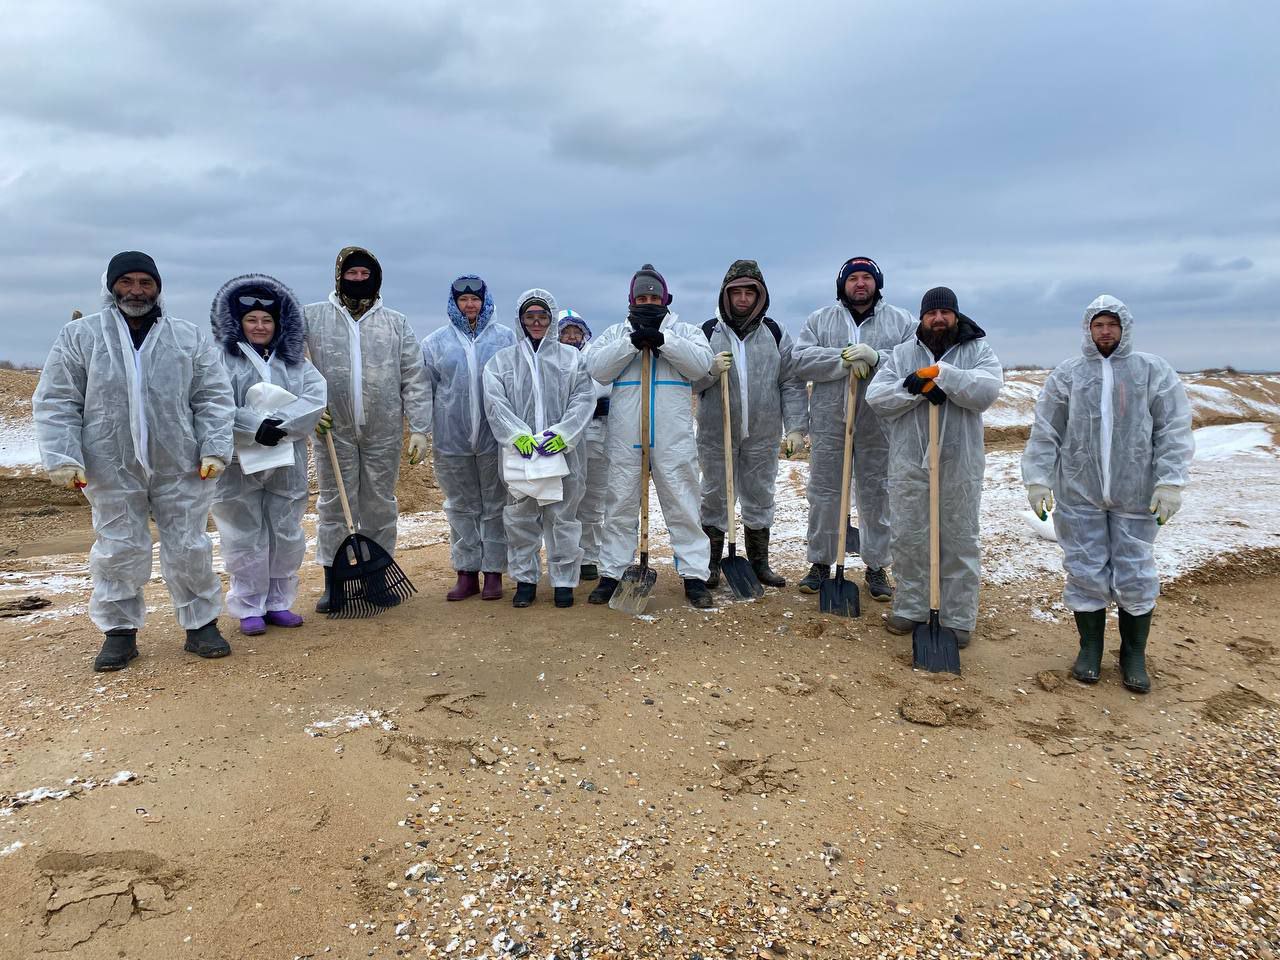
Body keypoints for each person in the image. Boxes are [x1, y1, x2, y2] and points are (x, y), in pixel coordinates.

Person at [33, 251, 235, 671]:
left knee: (188, 545)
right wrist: (62, 455)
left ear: (158, 287)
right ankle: (119, 633)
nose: (137, 291)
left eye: (146, 282)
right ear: (111, 287)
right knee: (117, 547)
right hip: (109, 462)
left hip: (181, 462)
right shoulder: (80, 336)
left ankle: (200, 625)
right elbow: (57, 400)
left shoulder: (187, 336)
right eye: (127, 282)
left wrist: (215, 447)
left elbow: (213, 397)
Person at [1021, 295, 1193, 693]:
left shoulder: (1152, 371)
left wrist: (1169, 481)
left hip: (1137, 494)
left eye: (1111, 324)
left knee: (1135, 572)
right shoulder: (1069, 374)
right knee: (1084, 569)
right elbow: (1046, 429)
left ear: (1124, 328)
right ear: (1088, 329)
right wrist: (1038, 479)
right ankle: (1091, 648)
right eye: (1098, 325)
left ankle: (1133, 654)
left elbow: (1173, 428)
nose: (1105, 331)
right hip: (1080, 491)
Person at [866, 286, 1003, 648]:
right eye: (931, 314)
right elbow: (876, 396)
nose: (938, 319)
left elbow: (988, 390)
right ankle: (912, 607)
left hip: (960, 461)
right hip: (910, 460)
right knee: (910, 536)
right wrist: (913, 389)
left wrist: (943, 375)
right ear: (922, 317)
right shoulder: (902, 353)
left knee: (958, 537)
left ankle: (957, 616)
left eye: (945, 313)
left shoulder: (977, 350)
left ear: (956, 316)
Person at [305, 246, 432, 612]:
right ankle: (335, 582)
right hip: (334, 430)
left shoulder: (395, 322)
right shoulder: (313, 317)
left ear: (375, 277)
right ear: (340, 275)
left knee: (378, 506)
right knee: (333, 505)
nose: (358, 280)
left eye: (365, 274)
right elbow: (296, 366)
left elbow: (414, 376)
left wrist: (421, 428)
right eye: (352, 274)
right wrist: (311, 409)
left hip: (383, 430)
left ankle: (376, 578)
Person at [585, 265, 716, 609]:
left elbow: (702, 366)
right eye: (641, 297)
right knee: (619, 507)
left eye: (653, 297)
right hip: (626, 437)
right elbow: (595, 367)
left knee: (683, 504)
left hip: (672, 438)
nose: (648, 302)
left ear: (665, 298)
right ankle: (611, 573)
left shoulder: (684, 331)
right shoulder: (615, 333)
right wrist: (630, 345)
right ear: (631, 299)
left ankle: (694, 576)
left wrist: (664, 341)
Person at [209, 274, 327, 636]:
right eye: (251, 320)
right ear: (237, 322)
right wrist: (251, 425)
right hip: (238, 462)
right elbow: (212, 402)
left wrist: (283, 423)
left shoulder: (294, 362)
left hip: (285, 457)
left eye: (266, 320)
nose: (259, 326)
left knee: (285, 531)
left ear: (278, 323)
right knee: (243, 532)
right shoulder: (221, 360)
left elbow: (315, 396)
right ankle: (248, 604)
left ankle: (279, 601)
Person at [792, 257, 915, 600]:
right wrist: (840, 358)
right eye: (853, 279)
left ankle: (877, 566)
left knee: (877, 496)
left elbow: (914, 360)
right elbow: (800, 360)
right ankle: (820, 562)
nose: (860, 284)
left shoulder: (901, 321)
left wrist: (876, 358)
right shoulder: (821, 320)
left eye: (866, 278)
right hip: (831, 422)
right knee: (825, 496)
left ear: (877, 283)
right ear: (842, 285)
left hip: (879, 423)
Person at [693, 260, 808, 588]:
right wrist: (710, 372)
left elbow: (791, 381)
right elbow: (690, 381)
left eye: (749, 292)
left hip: (762, 432)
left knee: (759, 494)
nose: (742, 299)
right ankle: (712, 562)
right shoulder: (706, 333)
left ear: (760, 296)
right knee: (715, 494)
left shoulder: (775, 333)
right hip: (717, 432)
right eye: (736, 292)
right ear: (725, 295)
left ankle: (759, 563)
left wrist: (796, 427)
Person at [483, 290, 595, 608]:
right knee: (521, 519)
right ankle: (526, 581)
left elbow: (583, 398)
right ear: (520, 320)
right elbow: (495, 402)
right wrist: (516, 435)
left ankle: (563, 582)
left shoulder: (571, 359)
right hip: (520, 453)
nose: (536, 322)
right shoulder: (502, 362)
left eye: (542, 317)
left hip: (564, 453)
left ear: (552, 319)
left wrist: (564, 434)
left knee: (563, 519)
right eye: (530, 316)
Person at [422, 276, 517, 601]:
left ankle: (493, 573)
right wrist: (421, 429)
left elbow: (518, 387)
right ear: (454, 303)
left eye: (475, 299)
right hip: (452, 439)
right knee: (461, 508)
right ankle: (466, 573)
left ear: (485, 300)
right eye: (463, 299)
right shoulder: (436, 343)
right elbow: (425, 390)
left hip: (495, 438)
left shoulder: (505, 339)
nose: (470, 305)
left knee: (495, 506)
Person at [558, 308, 611, 581]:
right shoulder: (551, 361)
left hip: (596, 438)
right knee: (567, 501)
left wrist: (599, 406)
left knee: (592, 500)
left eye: (575, 331)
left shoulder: (595, 357)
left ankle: (590, 555)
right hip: (564, 442)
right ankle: (567, 554)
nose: (571, 337)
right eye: (565, 332)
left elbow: (606, 388)